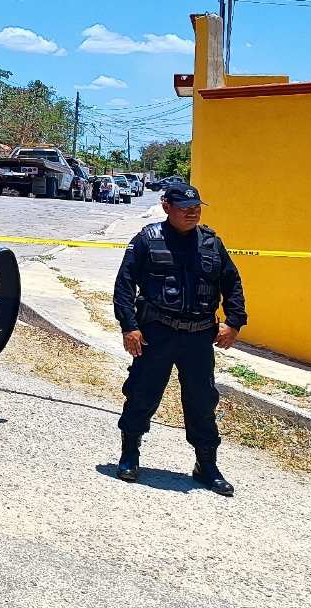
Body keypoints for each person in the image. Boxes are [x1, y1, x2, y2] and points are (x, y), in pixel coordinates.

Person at [112, 182, 247, 495]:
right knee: (142, 393)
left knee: (202, 401)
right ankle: (130, 454)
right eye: (185, 207)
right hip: (156, 333)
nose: (192, 212)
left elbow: (233, 282)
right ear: (166, 206)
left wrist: (235, 322)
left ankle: (206, 466)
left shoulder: (212, 243)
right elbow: (124, 284)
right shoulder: (147, 239)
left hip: (199, 337)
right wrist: (129, 326)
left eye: (196, 206)